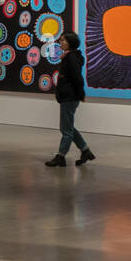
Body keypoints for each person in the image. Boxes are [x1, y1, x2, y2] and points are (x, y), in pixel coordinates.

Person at [45, 31, 95, 167]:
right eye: (60, 40)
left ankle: (61, 156)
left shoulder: (71, 58)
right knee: (68, 128)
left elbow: (77, 78)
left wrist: (80, 94)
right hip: (68, 96)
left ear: (70, 43)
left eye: (63, 40)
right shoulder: (68, 57)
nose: (60, 42)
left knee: (66, 130)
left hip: (70, 97)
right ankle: (85, 151)